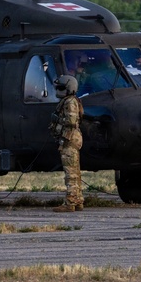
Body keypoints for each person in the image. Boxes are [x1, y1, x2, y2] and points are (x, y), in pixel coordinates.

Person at [49, 74, 84, 212]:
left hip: (69, 138)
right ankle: (78, 200)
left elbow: (71, 121)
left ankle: (70, 202)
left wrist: (57, 120)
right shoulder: (73, 100)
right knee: (75, 171)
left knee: (70, 173)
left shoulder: (69, 102)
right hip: (73, 138)